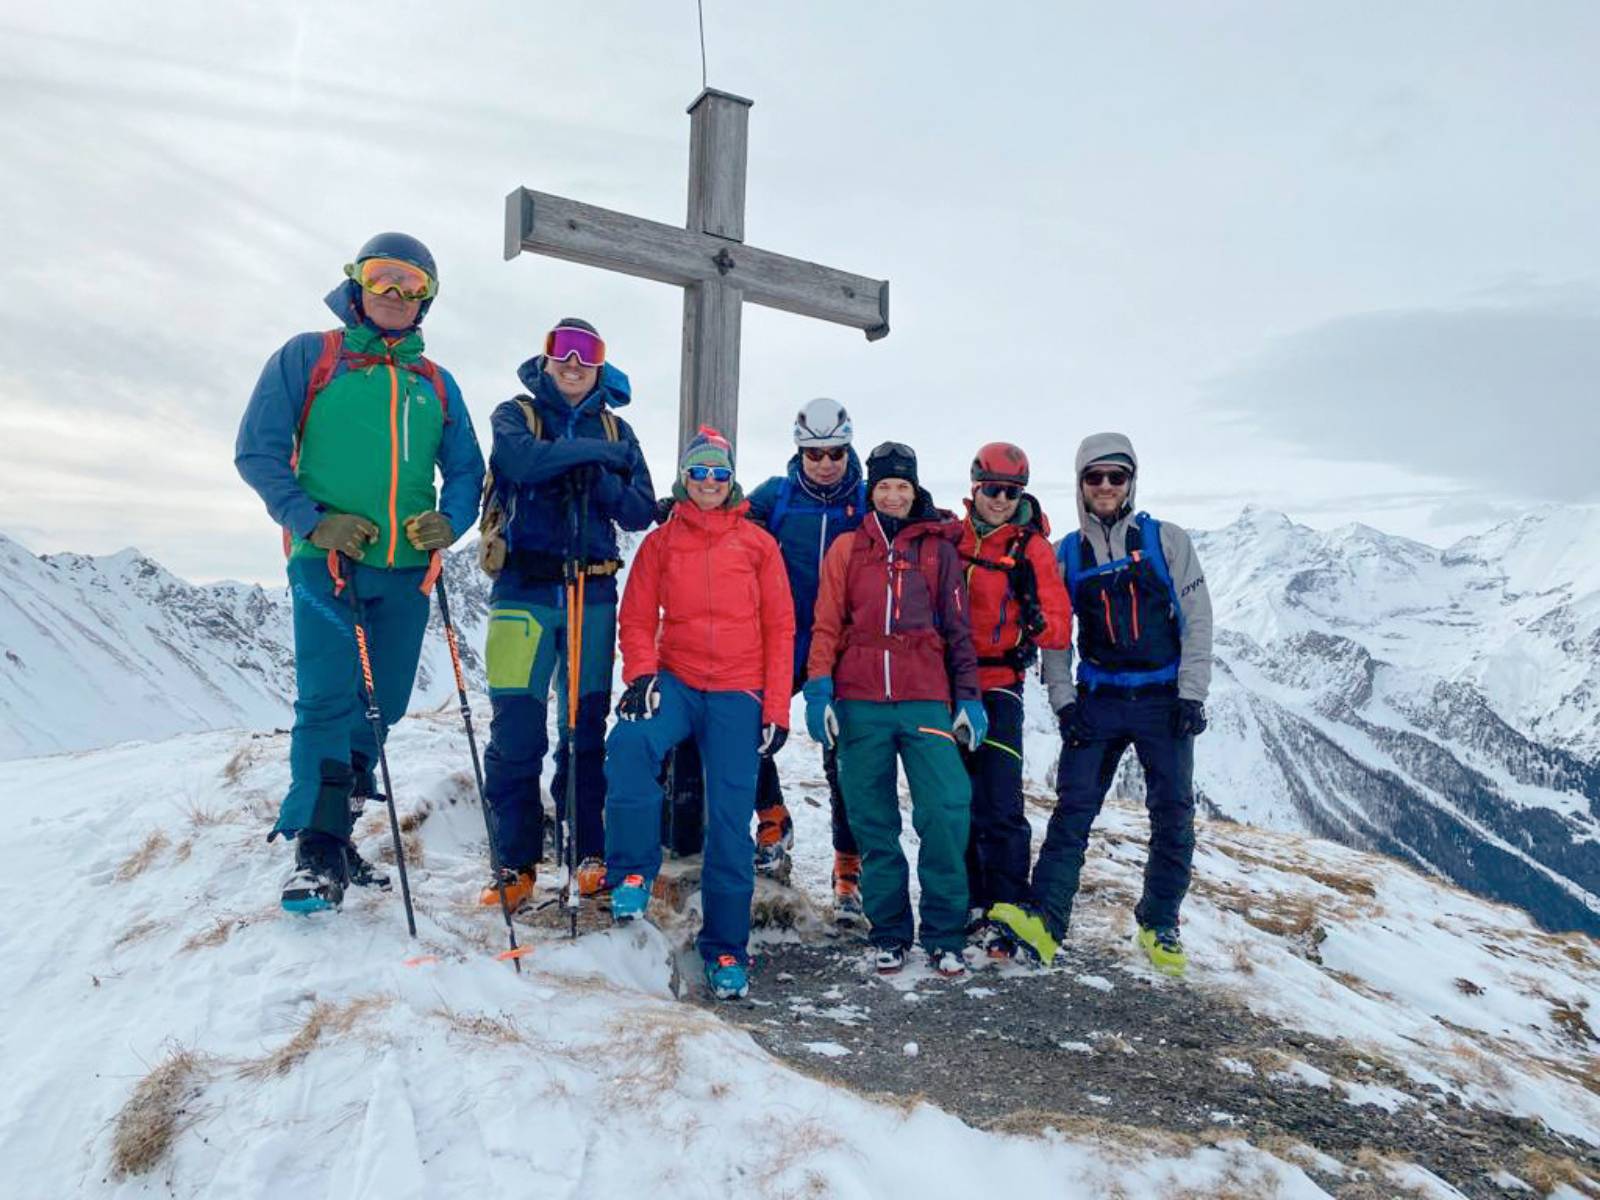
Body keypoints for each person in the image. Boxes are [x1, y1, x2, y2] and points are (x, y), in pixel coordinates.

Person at [235, 232, 484, 913]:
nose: (397, 295)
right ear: (357, 284)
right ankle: (315, 847)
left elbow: (467, 468)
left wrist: (451, 521)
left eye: (414, 285)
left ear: (427, 300)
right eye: (385, 279)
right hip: (327, 564)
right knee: (327, 696)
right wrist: (313, 521)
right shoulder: (311, 357)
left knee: (387, 702)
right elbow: (256, 451)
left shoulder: (435, 383)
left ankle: (339, 828)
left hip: (405, 572)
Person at [990, 432, 1213, 976]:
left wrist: (1191, 694)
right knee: (1073, 811)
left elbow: (1197, 620)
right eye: (1095, 478)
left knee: (1173, 815)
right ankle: (1046, 920)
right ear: (1080, 486)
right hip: (1099, 699)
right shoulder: (1068, 552)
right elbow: (1056, 635)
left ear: (1131, 482)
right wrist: (1064, 703)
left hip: (1162, 699)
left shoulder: (1168, 541)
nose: (1106, 486)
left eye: (1117, 476)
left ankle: (1159, 924)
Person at [602, 427, 794, 1000]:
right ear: (685, 478)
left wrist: (776, 708)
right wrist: (641, 675)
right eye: (699, 472)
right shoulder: (662, 543)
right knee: (630, 744)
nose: (709, 482)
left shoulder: (758, 545)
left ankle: (727, 948)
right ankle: (633, 871)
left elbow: (780, 628)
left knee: (731, 823)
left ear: (730, 479)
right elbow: (636, 617)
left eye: (718, 473)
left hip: (739, 691)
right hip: (679, 681)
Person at [477, 319, 655, 910]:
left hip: (592, 592)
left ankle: (587, 853)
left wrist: (596, 476)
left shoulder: (618, 427)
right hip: (521, 592)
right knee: (515, 732)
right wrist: (595, 453)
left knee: (583, 731)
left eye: (589, 353)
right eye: (563, 350)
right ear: (545, 358)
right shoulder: (516, 414)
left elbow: (638, 512)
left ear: (602, 365)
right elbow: (520, 463)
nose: (575, 362)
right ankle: (514, 863)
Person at [804, 442, 984, 977]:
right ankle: (888, 932)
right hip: (860, 700)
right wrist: (819, 687)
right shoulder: (846, 549)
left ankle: (944, 932)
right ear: (870, 491)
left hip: (925, 695)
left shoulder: (937, 550)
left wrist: (968, 697)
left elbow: (958, 632)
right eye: (884, 486)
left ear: (914, 491)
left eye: (902, 486)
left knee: (947, 810)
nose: (893, 495)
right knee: (873, 820)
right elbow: (827, 622)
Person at [743, 398, 868, 914]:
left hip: (840, 643)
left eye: (835, 452)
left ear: (848, 448)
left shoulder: (864, 501)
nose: (824, 462)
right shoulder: (776, 496)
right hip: (781, 636)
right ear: (799, 449)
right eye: (814, 452)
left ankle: (847, 868)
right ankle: (773, 819)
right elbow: (728, 523)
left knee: (844, 756)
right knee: (748, 725)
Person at [956, 443, 1073, 953]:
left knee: (999, 799)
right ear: (974, 488)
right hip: (951, 685)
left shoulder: (1032, 549)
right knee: (955, 799)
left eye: (1011, 491)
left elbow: (1059, 624)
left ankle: (1005, 909)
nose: (1000, 500)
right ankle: (965, 900)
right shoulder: (950, 535)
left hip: (1001, 684)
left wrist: (1035, 626)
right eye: (991, 490)